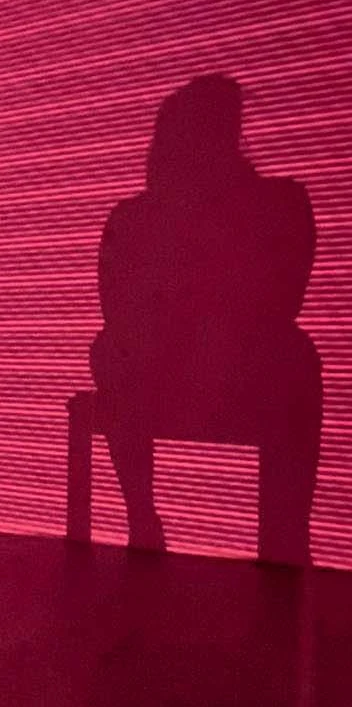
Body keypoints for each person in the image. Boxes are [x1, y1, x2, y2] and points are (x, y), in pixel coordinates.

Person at [89, 75, 321, 563]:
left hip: (236, 370)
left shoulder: (278, 206)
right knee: (110, 349)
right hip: (165, 372)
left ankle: (285, 543)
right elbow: (117, 310)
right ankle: (145, 522)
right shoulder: (136, 219)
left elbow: (284, 300)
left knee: (297, 355)